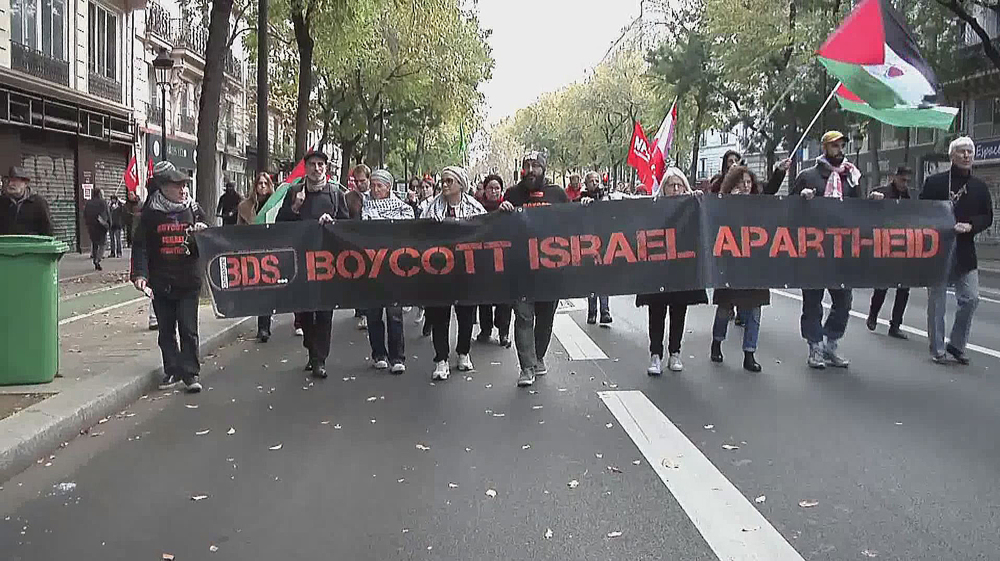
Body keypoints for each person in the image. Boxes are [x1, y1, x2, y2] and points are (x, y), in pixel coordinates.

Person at [131, 161, 209, 393]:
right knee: (166, 330)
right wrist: (140, 274)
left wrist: (201, 235)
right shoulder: (150, 214)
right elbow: (141, 246)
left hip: (188, 280)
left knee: (188, 328)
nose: (183, 190)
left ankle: (191, 373)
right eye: (177, 186)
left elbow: (208, 240)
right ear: (163, 187)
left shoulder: (193, 210)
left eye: (185, 185)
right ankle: (172, 369)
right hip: (161, 281)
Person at [276, 149, 350, 378]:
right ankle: (311, 349)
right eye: (312, 165)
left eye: (320, 165)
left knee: (325, 311)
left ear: (325, 169)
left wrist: (333, 223)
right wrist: (295, 207)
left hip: (327, 261)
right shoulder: (294, 192)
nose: (316, 169)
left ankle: (320, 359)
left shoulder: (335, 193)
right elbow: (280, 224)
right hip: (301, 260)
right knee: (306, 311)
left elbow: (347, 225)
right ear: (305, 168)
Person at [709, 162, 789, 373]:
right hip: (732, 264)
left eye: (748, 182)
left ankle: (749, 353)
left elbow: (770, 191)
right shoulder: (723, 203)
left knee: (754, 310)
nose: (746, 186)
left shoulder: (758, 203)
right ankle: (717, 343)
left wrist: (780, 171)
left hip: (755, 265)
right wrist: (730, 204)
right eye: (741, 182)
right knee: (725, 308)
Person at [499, 151, 570, 387]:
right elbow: (498, 227)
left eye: (535, 166)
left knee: (545, 316)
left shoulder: (558, 194)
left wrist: (587, 206)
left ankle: (538, 356)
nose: (530, 170)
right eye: (526, 166)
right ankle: (526, 367)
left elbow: (574, 221)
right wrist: (503, 211)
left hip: (551, 270)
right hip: (520, 269)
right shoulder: (513, 194)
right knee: (522, 315)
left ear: (544, 169)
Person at [921, 137, 994, 365]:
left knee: (971, 298)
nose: (966, 156)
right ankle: (938, 349)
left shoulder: (980, 187)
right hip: (937, 251)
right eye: (962, 152)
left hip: (965, 251)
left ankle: (957, 344)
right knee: (937, 303)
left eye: (970, 152)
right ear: (952, 156)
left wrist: (971, 225)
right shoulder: (935, 183)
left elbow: (987, 216)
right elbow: (920, 211)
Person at [791, 130, 860, 369]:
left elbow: (858, 210)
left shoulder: (851, 176)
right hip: (813, 250)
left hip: (841, 251)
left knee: (844, 299)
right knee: (813, 300)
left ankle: (831, 343)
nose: (839, 149)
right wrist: (802, 198)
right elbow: (786, 209)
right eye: (834, 145)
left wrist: (874, 201)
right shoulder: (807, 176)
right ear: (824, 148)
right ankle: (815, 348)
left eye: (842, 145)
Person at [637, 168, 708, 375]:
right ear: (664, 188)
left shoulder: (692, 205)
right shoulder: (653, 207)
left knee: (679, 312)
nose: (675, 189)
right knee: (656, 312)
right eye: (671, 185)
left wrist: (697, 200)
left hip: (682, 269)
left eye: (679, 185)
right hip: (658, 269)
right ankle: (655, 355)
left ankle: (675, 352)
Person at [422, 166, 486, 380]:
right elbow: (417, 234)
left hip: (466, 271)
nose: (445, 185)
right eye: (443, 181)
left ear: (461, 184)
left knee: (466, 314)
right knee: (439, 315)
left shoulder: (475, 208)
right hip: (438, 272)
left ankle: (463, 352)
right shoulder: (431, 209)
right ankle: (441, 359)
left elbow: (486, 232)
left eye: (450, 181)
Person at [362, 169, 413, 373]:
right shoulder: (364, 208)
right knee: (374, 313)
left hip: (394, 268)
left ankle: (397, 357)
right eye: (372, 185)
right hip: (371, 268)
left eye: (379, 186)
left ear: (389, 187)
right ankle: (378, 354)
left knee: (394, 314)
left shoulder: (403, 209)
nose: (375, 189)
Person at [865, 165, 913, 339]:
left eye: (908, 181)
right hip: (885, 245)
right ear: (895, 177)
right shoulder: (882, 192)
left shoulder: (910, 197)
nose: (905, 184)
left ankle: (896, 325)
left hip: (905, 247)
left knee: (904, 288)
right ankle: (873, 314)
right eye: (902, 180)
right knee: (882, 284)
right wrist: (872, 199)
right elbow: (865, 210)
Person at [474, 174, 513, 347]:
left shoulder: (507, 208)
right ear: (485, 190)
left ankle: (503, 332)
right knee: (484, 298)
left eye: (497, 188)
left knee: (505, 298)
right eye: (491, 188)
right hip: (483, 259)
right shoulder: (477, 209)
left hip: (504, 259)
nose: (494, 191)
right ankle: (486, 330)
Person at [238, 172, 276, 343]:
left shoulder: (275, 204)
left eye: (265, 183)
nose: (262, 186)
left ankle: (264, 327)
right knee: (258, 290)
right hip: (252, 251)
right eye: (259, 183)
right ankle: (262, 326)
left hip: (270, 251)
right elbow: (239, 229)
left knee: (267, 290)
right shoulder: (245, 206)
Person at [579, 171, 614, 325]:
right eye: (591, 181)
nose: (594, 183)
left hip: (604, 242)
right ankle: (592, 312)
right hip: (587, 243)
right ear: (586, 184)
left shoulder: (607, 197)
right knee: (591, 278)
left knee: (604, 278)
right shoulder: (581, 199)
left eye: (596, 180)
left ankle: (605, 311)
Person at [346, 164, 372, 331]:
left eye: (363, 181)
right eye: (356, 181)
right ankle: (362, 311)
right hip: (355, 243)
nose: (359, 184)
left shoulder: (376, 195)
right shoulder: (348, 198)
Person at [0, 166, 54, 236]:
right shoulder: (2, 202)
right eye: (9, 181)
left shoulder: (38, 203)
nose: (10, 184)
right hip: (7, 245)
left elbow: (47, 230)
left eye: (14, 181)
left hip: (31, 245)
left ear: (25, 183)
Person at [84, 187, 111, 271]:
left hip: (91, 226)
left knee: (95, 244)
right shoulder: (103, 202)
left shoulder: (88, 203)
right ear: (99, 194)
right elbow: (107, 213)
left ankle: (95, 259)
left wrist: (88, 223)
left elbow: (85, 214)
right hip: (101, 226)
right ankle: (98, 259)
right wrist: (109, 224)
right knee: (103, 244)